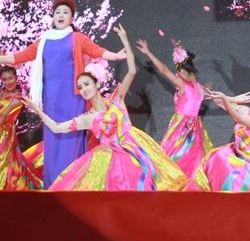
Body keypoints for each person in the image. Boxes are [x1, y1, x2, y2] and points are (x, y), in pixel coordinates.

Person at [0, 0, 127, 187]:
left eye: (65, 12)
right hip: (51, 98)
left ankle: (72, 185)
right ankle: (53, 186)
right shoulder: (44, 40)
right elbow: (22, 56)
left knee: (71, 140)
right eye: (58, 12)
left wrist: (115, 56)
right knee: (53, 139)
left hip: (73, 98)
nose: (61, 15)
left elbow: (96, 51)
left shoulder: (77, 38)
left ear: (72, 18)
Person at [23, 25, 187, 191]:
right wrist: (37, 109)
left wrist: (125, 41)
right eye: (80, 87)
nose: (84, 89)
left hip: (135, 149)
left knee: (152, 186)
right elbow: (57, 128)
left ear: (97, 84)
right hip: (115, 162)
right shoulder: (87, 118)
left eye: (86, 84)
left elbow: (131, 72)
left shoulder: (116, 100)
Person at [135, 38, 212, 177]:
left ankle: (175, 180)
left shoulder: (187, 85)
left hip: (185, 126)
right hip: (192, 127)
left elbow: (164, 69)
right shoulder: (197, 87)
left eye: (178, 70)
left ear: (183, 70)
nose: (177, 74)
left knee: (176, 156)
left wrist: (148, 53)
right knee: (188, 158)